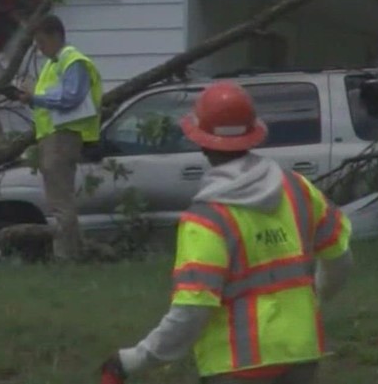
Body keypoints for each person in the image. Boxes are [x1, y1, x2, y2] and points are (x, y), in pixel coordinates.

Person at [100, 81, 353, 384]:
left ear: (201, 141)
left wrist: (134, 359)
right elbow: (340, 261)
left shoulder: (207, 219)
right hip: (301, 351)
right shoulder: (298, 189)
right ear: (252, 133)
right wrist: (316, 298)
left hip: (236, 364)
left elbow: (192, 311)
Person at [15, 14, 103, 261]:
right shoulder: (54, 64)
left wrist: (35, 98)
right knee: (59, 200)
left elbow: (71, 97)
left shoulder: (72, 61)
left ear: (55, 36)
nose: (40, 49)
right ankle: (74, 252)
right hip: (52, 136)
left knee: (61, 202)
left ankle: (67, 256)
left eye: (42, 42)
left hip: (63, 136)